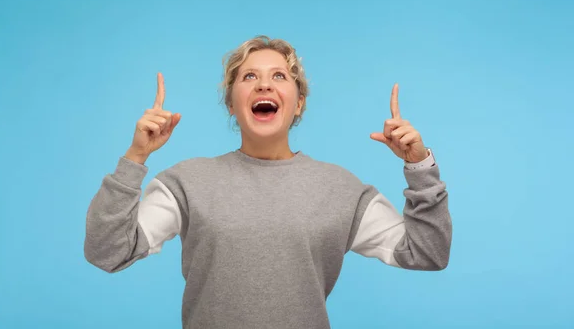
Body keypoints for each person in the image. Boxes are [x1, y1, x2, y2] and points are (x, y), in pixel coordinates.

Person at [84, 35, 452, 329]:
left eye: (279, 76)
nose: (264, 85)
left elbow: (427, 253)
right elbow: (108, 252)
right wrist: (135, 158)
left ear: (299, 103)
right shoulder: (187, 182)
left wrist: (420, 165)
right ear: (231, 103)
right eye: (249, 77)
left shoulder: (341, 190)